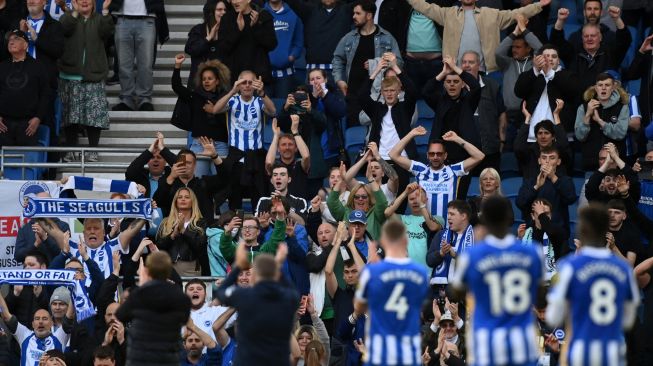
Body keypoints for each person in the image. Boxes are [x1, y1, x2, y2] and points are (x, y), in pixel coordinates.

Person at [451, 196, 544, 365]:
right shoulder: (533, 252)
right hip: (522, 341)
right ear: (510, 217)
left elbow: (456, 290)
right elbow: (540, 296)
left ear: (483, 219)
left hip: (487, 343)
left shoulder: (472, 255)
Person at [546, 204, 640, 366]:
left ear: (582, 230)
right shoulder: (623, 268)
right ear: (605, 228)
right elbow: (629, 319)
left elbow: (553, 316)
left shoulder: (569, 266)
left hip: (580, 351)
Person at [355, 220, 429, 365]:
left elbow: (359, 307)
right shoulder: (420, 273)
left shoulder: (371, 272)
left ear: (383, 241)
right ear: (406, 240)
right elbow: (420, 306)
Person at [404, 0, 549, 73]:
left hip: (485, 73)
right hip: (455, 72)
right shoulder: (447, 14)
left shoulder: (492, 14)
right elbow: (424, 6)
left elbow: (516, 13)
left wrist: (538, 5)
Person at [215, 242, 299, 366]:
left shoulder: (244, 295)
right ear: (276, 274)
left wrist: (238, 266)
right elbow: (294, 291)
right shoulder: (287, 297)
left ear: (253, 275)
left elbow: (220, 292)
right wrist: (278, 265)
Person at [211, 70, 276, 211]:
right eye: (243, 82)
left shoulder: (260, 101)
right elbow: (215, 110)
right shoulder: (233, 101)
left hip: (256, 156)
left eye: (250, 82)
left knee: (259, 198)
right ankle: (234, 227)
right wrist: (232, 91)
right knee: (234, 197)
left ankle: (259, 227)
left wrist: (262, 93)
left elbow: (272, 111)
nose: (247, 85)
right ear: (238, 85)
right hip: (236, 157)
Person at [58, 0, 114, 162]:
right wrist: (74, 13)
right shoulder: (69, 17)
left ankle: (93, 150)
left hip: (94, 75)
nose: (84, 1)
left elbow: (107, 31)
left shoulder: (99, 18)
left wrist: (104, 11)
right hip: (70, 74)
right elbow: (64, 29)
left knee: (94, 116)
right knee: (70, 116)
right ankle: (70, 151)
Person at [332, 0, 402, 127]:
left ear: (369, 16)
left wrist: (375, 63)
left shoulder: (387, 37)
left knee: (375, 135)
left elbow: (398, 63)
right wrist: (339, 80)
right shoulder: (349, 38)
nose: (354, 17)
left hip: (377, 96)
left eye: (358, 13)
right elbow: (337, 58)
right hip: (353, 95)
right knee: (353, 136)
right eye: (353, 13)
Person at [390, 127, 485, 220]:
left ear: (445, 155)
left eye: (439, 154)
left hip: (447, 229)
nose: (435, 157)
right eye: (432, 154)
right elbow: (393, 154)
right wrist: (411, 134)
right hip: (423, 228)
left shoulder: (453, 170)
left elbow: (479, 156)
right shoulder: (420, 169)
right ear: (427, 155)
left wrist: (457, 139)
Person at [358, 53, 417, 201]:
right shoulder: (377, 109)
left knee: (400, 201)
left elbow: (413, 91)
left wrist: (394, 66)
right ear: (382, 93)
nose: (389, 94)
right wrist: (377, 69)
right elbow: (361, 95)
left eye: (392, 90)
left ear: (399, 91)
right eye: (386, 91)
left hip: (401, 160)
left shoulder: (405, 108)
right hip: (380, 159)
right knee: (379, 201)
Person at [115, 251, 191, 366]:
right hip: (168, 360)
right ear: (169, 270)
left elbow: (121, 315)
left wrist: (142, 285)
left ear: (148, 271)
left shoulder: (139, 293)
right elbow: (184, 320)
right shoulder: (181, 297)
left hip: (140, 360)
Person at [172, 54, 231, 176]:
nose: (206, 81)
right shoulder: (195, 96)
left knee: (221, 182)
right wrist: (177, 65)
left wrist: (214, 110)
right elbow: (177, 87)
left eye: (210, 78)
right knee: (198, 181)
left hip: (220, 146)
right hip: (199, 145)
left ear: (217, 81)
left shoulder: (226, 99)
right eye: (204, 79)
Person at [550, 6, 631, 92]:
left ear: (600, 37)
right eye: (586, 36)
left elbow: (624, 41)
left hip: (604, 101)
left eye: (593, 36)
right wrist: (560, 20)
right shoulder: (573, 53)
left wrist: (617, 19)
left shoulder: (610, 54)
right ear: (582, 38)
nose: (589, 38)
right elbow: (556, 42)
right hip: (577, 101)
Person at [39, 215, 146, 279]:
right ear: (83, 232)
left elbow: (130, 231)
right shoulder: (73, 247)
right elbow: (54, 231)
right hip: (81, 305)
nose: (92, 231)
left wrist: (145, 213)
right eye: (89, 228)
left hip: (106, 305)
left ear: (104, 232)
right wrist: (35, 211)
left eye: (96, 228)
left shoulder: (113, 246)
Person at [108, 0, 168, 112]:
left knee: (146, 64)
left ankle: (144, 98)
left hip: (147, 18)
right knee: (123, 64)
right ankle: (127, 98)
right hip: (122, 17)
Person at [422, 55, 481, 166]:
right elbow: (426, 92)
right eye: (448, 82)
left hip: (464, 153)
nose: (452, 84)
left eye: (456, 81)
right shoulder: (440, 101)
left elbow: (476, 86)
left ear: (463, 84)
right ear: (444, 85)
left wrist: (455, 68)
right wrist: (443, 73)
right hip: (441, 154)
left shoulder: (468, 101)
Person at [513, 43, 579, 142]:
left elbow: (572, 90)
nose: (550, 59)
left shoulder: (568, 75)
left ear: (558, 61)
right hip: (531, 137)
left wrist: (550, 73)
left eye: (554, 56)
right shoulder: (530, 75)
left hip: (559, 138)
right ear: (539, 59)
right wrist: (535, 70)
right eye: (546, 56)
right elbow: (519, 92)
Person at [495, 13, 542, 146]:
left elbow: (540, 48)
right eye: (513, 47)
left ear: (528, 49)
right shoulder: (508, 63)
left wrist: (524, 30)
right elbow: (498, 53)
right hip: (509, 115)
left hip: (530, 115)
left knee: (527, 149)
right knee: (508, 148)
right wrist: (515, 32)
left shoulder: (535, 62)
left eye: (518, 47)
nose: (514, 50)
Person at [0, 29, 50, 148]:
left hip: (28, 124)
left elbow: (45, 94)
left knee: (26, 161)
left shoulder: (38, 66)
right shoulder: (1, 67)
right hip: (3, 124)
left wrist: (38, 118)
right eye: (10, 40)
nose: (11, 42)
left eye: (16, 39)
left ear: (26, 45)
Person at [460, 50, 507, 172]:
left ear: (479, 65)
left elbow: (501, 113)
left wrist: (502, 140)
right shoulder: (455, 86)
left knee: (490, 184)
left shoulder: (492, 85)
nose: (466, 65)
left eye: (471, 62)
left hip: (490, 148)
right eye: (464, 62)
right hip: (463, 150)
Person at [575, 72, 630, 171]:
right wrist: (587, 115)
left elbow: (620, 133)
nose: (603, 88)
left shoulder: (622, 107)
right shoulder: (583, 107)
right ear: (596, 88)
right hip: (591, 164)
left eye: (607, 85)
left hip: (614, 164)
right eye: (600, 85)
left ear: (613, 87)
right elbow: (580, 136)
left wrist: (600, 121)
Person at [0, 293, 72, 366]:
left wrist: (76, 290)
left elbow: (70, 316)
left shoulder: (59, 338)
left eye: (45, 319)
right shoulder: (25, 336)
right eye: (37, 319)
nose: (40, 322)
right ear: (33, 324)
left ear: (51, 323)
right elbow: (6, 316)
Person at [217, 0, 277, 85]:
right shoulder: (227, 18)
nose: (234, 2)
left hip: (259, 78)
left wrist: (256, 27)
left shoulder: (263, 16)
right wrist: (238, 31)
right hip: (235, 78)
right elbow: (222, 48)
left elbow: (272, 44)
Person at [516, 146, 577, 230]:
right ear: (539, 161)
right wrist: (536, 187)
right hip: (534, 231)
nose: (547, 161)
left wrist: (553, 177)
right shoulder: (530, 181)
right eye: (544, 158)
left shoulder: (565, 180)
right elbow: (520, 203)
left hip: (558, 232)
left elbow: (570, 199)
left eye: (552, 158)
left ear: (558, 161)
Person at [384, 182, 442, 268]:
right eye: (411, 199)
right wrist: (405, 193)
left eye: (418, 198)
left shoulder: (438, 219)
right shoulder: (403, 219)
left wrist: (422, 205)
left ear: (426, 199)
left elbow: (433, 227)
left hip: (428, 273)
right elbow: (387, 212)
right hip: (408, 273)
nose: (415, 201)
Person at [156, 187, 209, 276]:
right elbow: (158, 247)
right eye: (180, 197)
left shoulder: (200, 223)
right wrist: (173, 235)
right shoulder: (166, 221)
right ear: (175, 201)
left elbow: (200, 247)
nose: (183, 199)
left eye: (187, 197)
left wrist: (184, 231)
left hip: (191, 267)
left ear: (193, 201)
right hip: (168, 267)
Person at [327, 168, 388, 240]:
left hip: (372, 250)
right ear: (352, 199)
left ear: (369, 198)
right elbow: (331, 202)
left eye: (364, 197)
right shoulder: (345, 212)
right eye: (357, 197)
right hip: (349, 250)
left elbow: (382, 203)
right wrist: (340, 180)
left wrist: (371, 179)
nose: (360, 199)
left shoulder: (375, 213)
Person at [515, 100, 572, 178]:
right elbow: (518, 147)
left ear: (553, 136)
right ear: (536, 136)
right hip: (533, 188)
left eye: (546, 133)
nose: (543, 136)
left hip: (555, 188)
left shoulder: (559, 152)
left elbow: (564, 145)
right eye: (540, 133)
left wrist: (556, 115)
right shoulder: (530, 153)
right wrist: (527, 119)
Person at [517, 198, 569, 281]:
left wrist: (540, 213)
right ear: (533, 216)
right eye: (539, 214)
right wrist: (520, 239)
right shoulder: (527, 234)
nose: (543, 216)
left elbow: (551, 232)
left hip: (553, 280)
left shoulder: (558, 231)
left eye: (546, 214)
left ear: (551, 215)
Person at [428, 200, 474, 288]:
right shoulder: (441, 234)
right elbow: (429, 261)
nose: (448, 217)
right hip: (440, 290)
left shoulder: (476, 236)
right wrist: (440, 253)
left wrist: (455, 255)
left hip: (464, 290)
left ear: (463, 216)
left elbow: (477, 265)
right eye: (448, 214)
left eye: (452, 214)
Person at [265, 116, 312, 202]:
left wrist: (295, 131)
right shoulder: (275, 166)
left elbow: (306, 156)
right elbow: (268, 163)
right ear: (278, 149)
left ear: (296, 148)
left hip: (298, 210)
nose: (287, 147)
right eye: (283, 144)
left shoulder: (300, 165)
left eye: (290, 144)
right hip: (277, 208)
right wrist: (276, 136)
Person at [184, 0, 230, 88]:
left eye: (225, 10)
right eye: (219, 10)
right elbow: (190, 49)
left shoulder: (228, 31)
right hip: (199, 84)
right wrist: (208, 39)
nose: (223, 12)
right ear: (211, 12)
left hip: (220, 86)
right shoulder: (199, 29)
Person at [15, 192, 70, 263]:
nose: (42, 206)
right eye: (39, 203)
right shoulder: (25, 228)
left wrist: (45, 238)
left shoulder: (63, 226)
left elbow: (64, 253)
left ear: (51, 205)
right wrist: (35, 244)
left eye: (45, 203)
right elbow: (18, 257)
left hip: (55, 272)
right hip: (32, 272)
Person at [263, 0, 303, 98]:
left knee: (284, 108)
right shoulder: (261, 14)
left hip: (286, 74)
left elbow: (298, 42)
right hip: (265, 74)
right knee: (265, 110)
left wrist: (292, 56)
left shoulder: (293, 14)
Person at [606, 199, 641, 266]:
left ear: (624, 216)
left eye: (617, 212)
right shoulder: (599, 230)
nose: (612, 216)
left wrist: (613, 247)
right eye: (609, 212)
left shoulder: (632, 234)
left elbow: (630, 266)